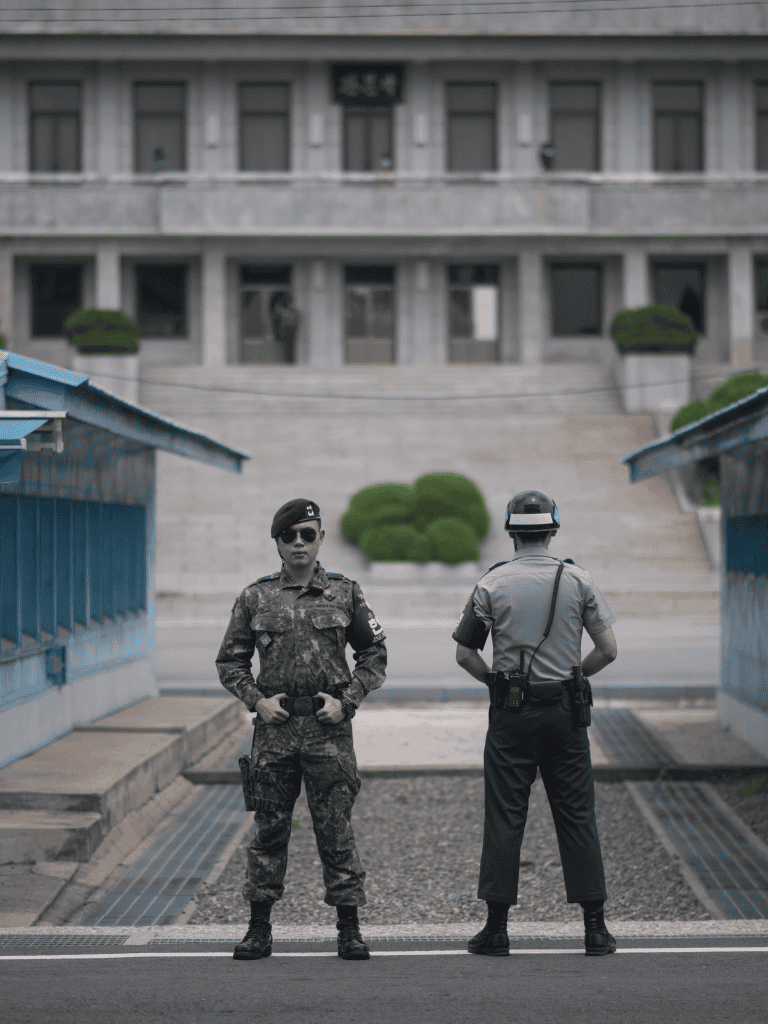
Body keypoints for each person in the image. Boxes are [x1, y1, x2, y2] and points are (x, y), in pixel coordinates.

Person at [216, 498, 387, 962]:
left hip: (328, 731)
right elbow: (230, 661)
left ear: (321, 539)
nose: (298, 544)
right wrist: (256, 700)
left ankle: (349, 929)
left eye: (307, 535)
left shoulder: (345, 593)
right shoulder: (255, 597)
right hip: (275, 731)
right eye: (289, 536)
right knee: (269, 830)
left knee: (336, 830)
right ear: (277, 542)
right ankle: (259, 929)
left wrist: (346, 702)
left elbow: (374, 656)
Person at [453, 490, 618, 957]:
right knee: (577, 814)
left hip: (511, 714)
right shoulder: (578, 579)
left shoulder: (492, 584)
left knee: (506, 814)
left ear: (510, 531)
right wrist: (573, 677)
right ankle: (595, 929)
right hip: (566, 713)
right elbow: (608, 650)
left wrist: (495, 684)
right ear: (553, 530)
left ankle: (497, 930)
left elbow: (465, 653)